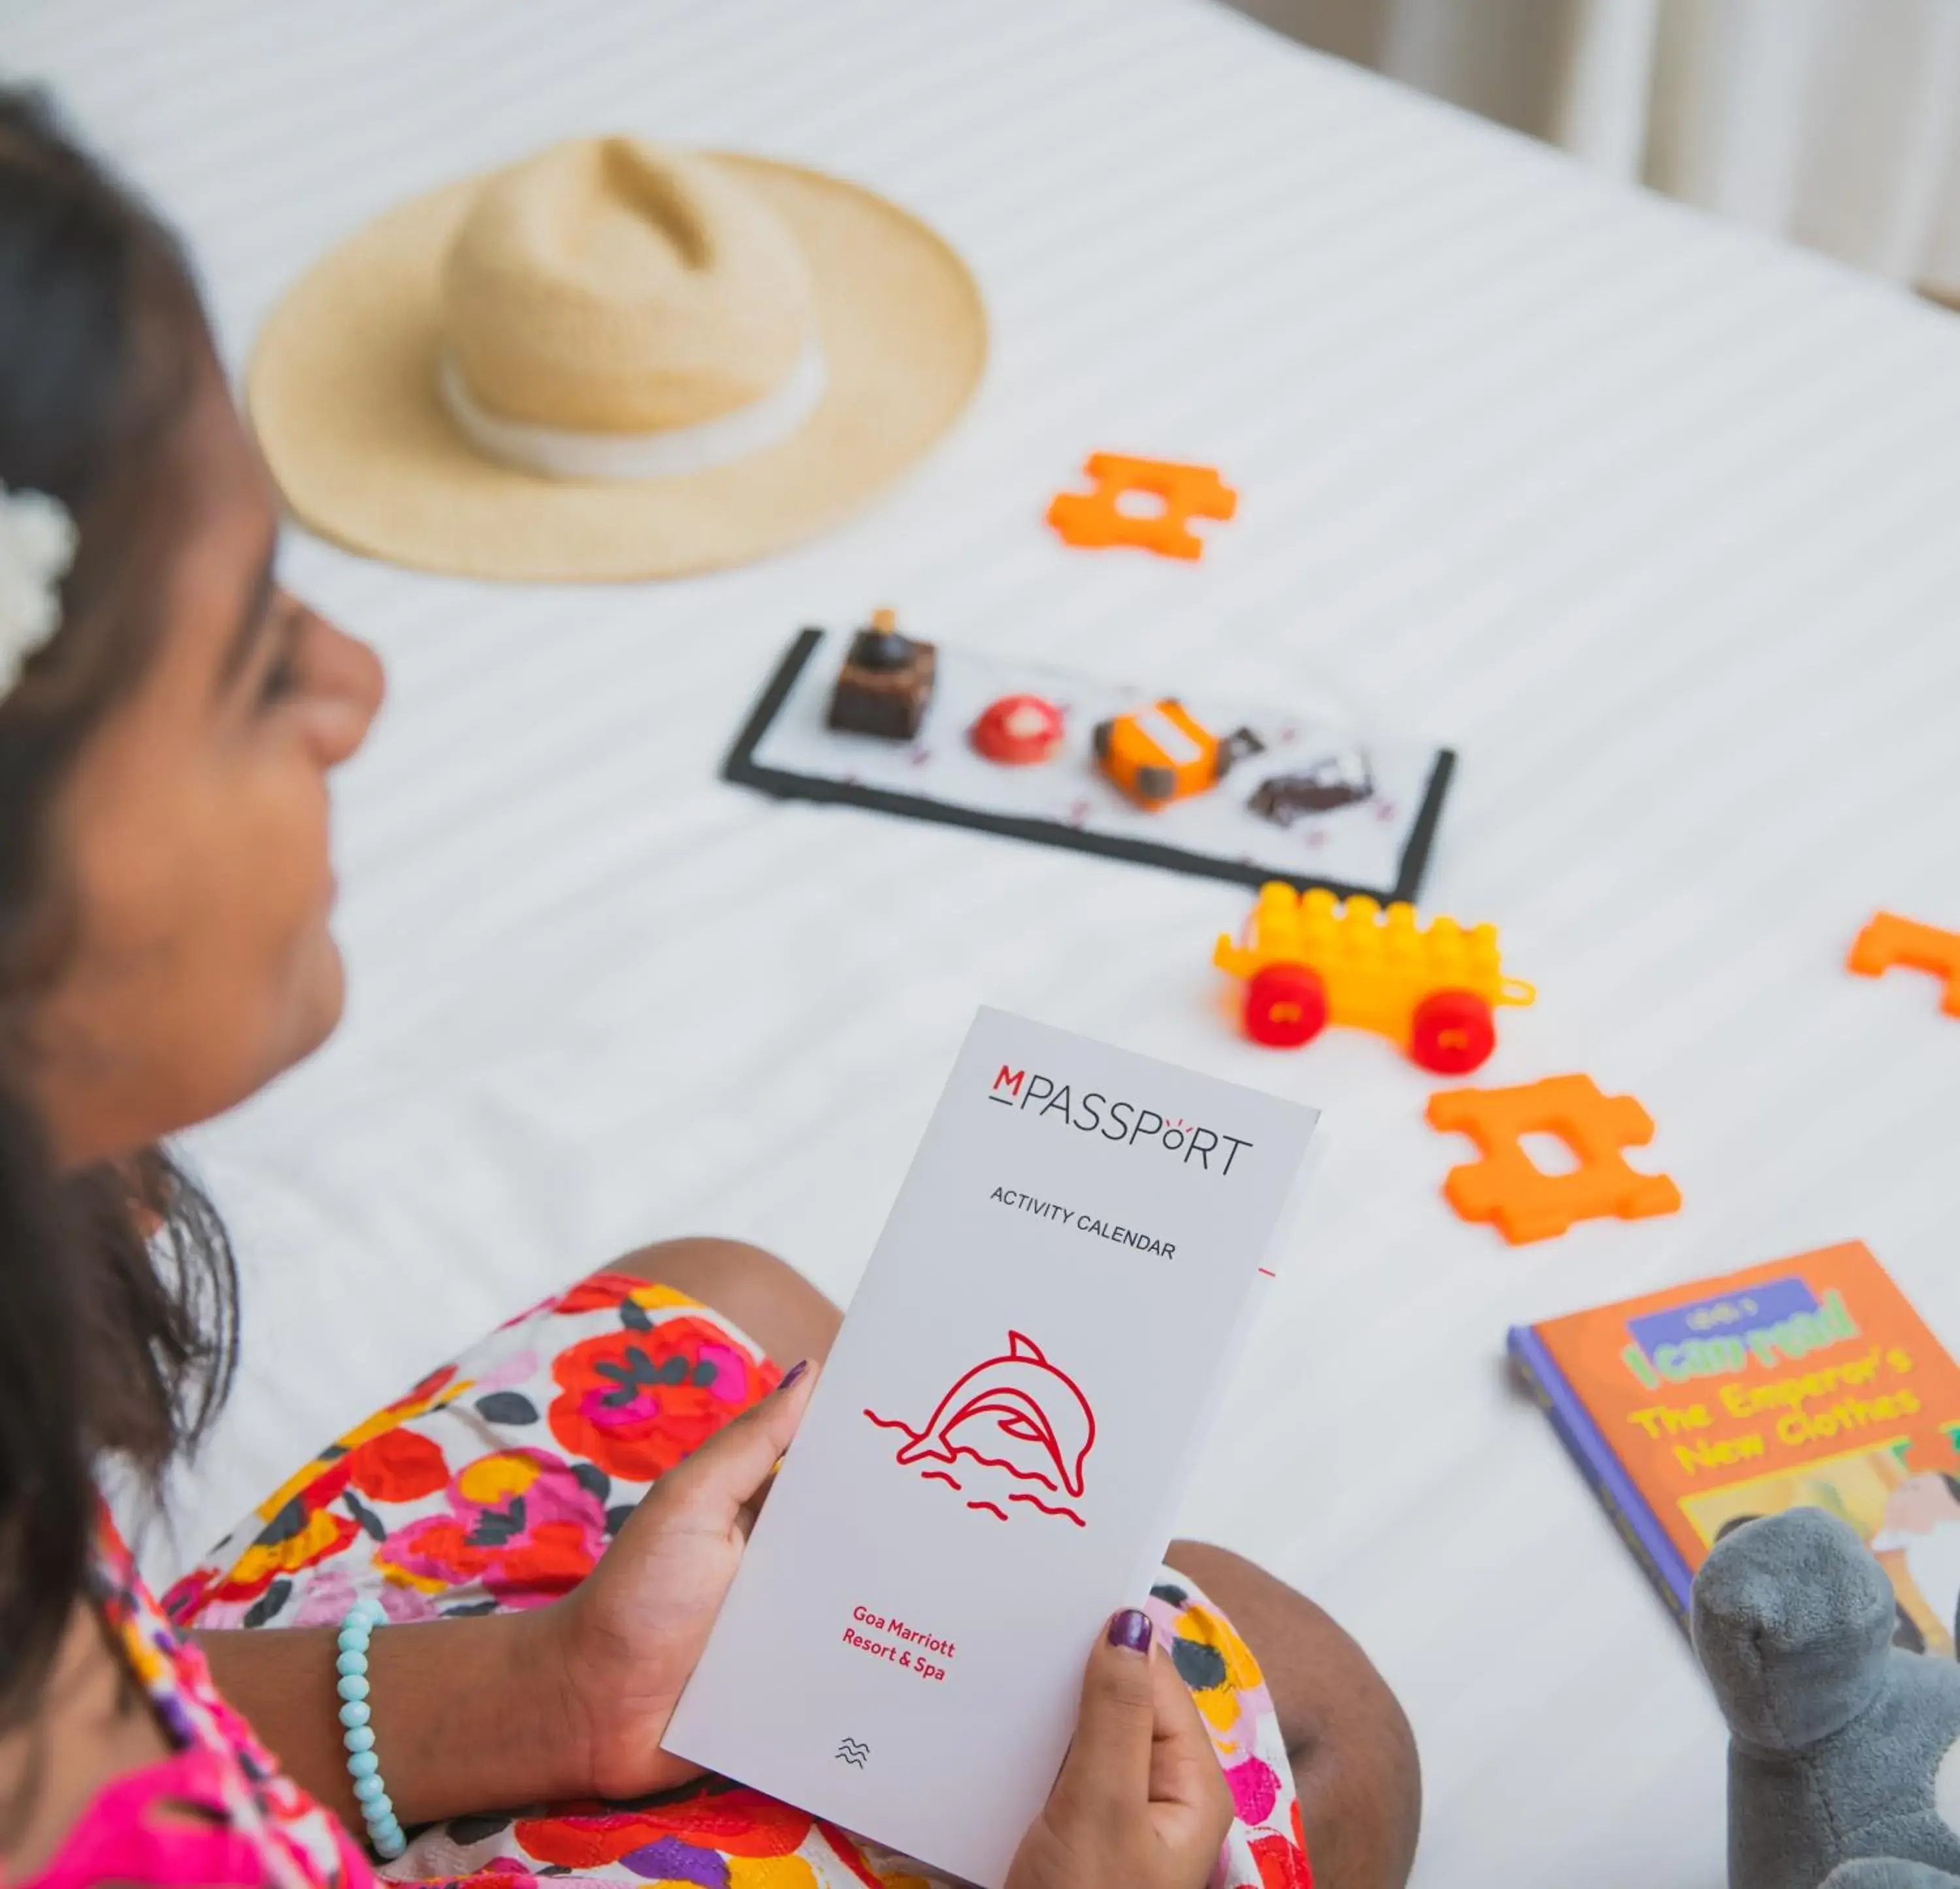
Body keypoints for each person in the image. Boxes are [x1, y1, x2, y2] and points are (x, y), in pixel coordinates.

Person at [0, 90, 1420, 1889]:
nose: (353, 682)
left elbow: (86, 1707)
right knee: (1313, 1729)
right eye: (247, 654)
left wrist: (548, 1686)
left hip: (185, 1726)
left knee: (725, 1295)